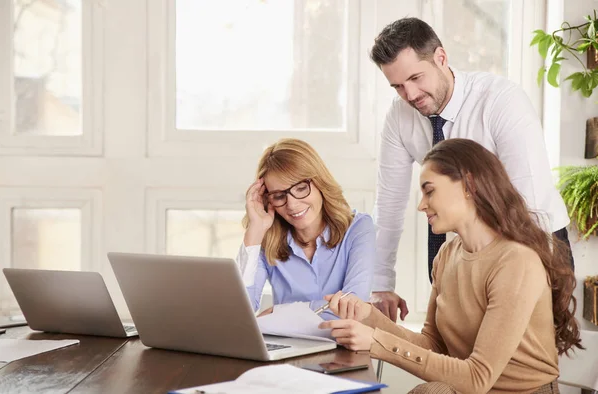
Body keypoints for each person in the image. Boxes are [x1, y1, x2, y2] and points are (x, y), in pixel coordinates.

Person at [320, 139, 582, 393]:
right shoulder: (447, 254)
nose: (421, 205)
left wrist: (378, 344)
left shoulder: (516, 261)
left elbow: (477, 379)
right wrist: (367, 315)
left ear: (468, 184)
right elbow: (432, 345)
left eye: (429, 190)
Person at [369, 17, 574, 322]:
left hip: (532, 240)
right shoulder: (400, 116)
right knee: (456, 355)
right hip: (457, 248)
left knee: (524, 360)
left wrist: (514, 276)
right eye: (397, 86)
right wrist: (380, 283)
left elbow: (529, 202)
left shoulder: (501, 101)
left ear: (441, 57)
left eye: (416, 78)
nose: (409, 95)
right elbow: (389, 203)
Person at [237, 138, 375, 320]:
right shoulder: (266, 239)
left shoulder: (358, 229)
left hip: (343, 345)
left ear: (320, 183)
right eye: (279, 196)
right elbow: (239, 313)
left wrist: (278, 313)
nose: (292, 205)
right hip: (288, 345)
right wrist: (255, 230)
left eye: (301, 188)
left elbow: (353, 307)